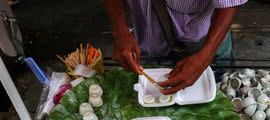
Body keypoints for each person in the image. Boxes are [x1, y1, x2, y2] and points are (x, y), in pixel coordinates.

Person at [104, 0, 247, 95]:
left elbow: (229, 2)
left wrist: (205, 56)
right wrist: (119, 29)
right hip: (148, 48)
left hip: (202, 46)